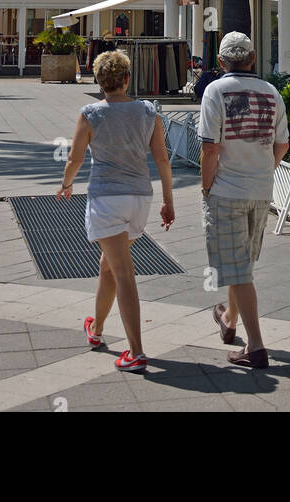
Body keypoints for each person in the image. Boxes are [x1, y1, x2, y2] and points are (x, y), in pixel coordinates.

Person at [57, 49, 175, 373]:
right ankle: (95, 330)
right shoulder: (148, 111)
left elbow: (76, 159)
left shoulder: (91, 113)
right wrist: (169, 200)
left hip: (107, 200)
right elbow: (162, 159)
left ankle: (136, 351)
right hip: (139, 200)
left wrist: (66, 184)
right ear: (126, 79)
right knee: (108, 267)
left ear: (99, 81)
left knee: (122, 273)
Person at [198, 31, 289, 369]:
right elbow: (282, 145)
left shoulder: (215, 91)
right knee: (243, 265)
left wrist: (206, 187)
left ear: (221, 62)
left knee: (238, 268)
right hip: (261, 190)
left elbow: (210, 148)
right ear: (252, 58)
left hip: (227, 190)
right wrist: (265, 169)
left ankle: (256, 346)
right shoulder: (271, 92)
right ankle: (230, 319)